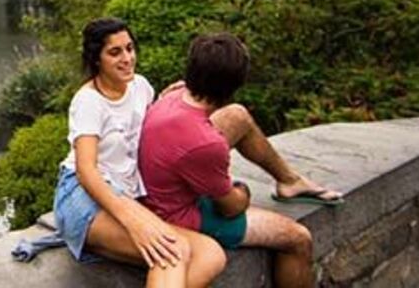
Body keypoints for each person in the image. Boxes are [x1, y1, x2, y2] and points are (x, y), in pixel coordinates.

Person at [138, 33, 342, 288]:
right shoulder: (206, 144)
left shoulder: (174, 94)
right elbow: (230, 208)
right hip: (176, 215)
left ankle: (289, 181)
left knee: (238, 116)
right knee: (298, 239)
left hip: (159, 184)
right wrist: (241, 191)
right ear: (233, 87)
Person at [54, 18, 226, 288]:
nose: (127, 58)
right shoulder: (88, 101)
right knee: (173, 252)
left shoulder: (140, 87)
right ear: (96, 59)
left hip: (124, 196)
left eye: (130, 48)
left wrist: (169, 101)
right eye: (115, 52)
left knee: (211, 254)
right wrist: (133, 220)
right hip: (85, 197)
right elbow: (86, 170)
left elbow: (147, 132)